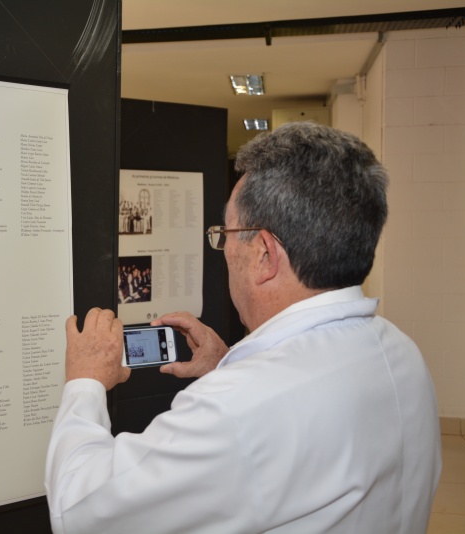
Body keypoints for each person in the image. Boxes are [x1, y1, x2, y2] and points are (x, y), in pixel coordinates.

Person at [45, 122, 442, 533]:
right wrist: (227, 366)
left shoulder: (235, 406)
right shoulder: (402, 353)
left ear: (265, 254)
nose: (224, 249)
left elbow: (78, 510)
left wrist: (85, 382)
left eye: (227, 234)